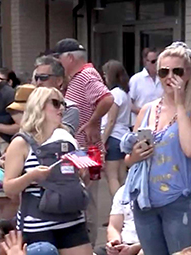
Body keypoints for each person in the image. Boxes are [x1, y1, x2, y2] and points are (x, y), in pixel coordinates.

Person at [122, 42, 191, 255]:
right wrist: (135, 155)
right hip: (147, 201)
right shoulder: (148, 109)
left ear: (189, 74)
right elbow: (129, 158)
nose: (170, 78)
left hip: (182, 200)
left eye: (177, 72)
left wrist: (181, 104)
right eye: (163, 72)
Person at [2, 87, 95, 255]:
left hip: (71, 218)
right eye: (55, 103)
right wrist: (31, 176)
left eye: (63, 103)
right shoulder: (21, 142)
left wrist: (83, 173)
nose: (61, 108)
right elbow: (8, 188)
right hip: (38, 223)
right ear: (39, 106)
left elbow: (83, 179)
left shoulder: (67, 138)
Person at [54, 38, 112, 152]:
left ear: (70, 58)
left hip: (86, 149)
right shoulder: (77, 77)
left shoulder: (85, 76)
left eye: (59, 59)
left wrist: (92, 122)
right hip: (81, 147)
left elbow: (107, 99)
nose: (58, 64)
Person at [100, 60, 132, 197]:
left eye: (106, 74)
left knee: (112, 176)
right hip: (123, 136)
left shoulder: (114, 94)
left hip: (113, 137)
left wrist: (102, 141)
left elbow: (111, 120)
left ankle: (118, 206)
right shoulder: (124, 94)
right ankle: (127, 207)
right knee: (122, 176)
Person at [33, 56, 80, 134]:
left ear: (59, 81)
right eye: (36, 78)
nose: (38, 82)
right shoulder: (31, 104)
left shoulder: (69, 109)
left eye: (43, 78)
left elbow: (61, 137)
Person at [129, 48, 164, 124]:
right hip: (140, 123)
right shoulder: (136, 79)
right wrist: (144, 112)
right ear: (145, 62)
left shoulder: (163, 79)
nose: (156, 64)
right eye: (153, 61)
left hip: (159, 123)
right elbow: (129, 104)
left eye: (158, 61)